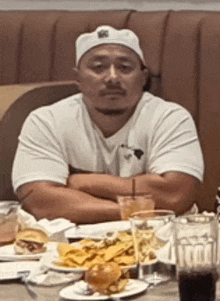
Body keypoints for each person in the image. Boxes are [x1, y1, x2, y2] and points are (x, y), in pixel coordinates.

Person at [12, 25, 204, 224]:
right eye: (98, 67)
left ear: (143, 78)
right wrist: (135, 211)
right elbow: (41, 201)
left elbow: (175, 196)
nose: (112, 77)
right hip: (71, 248)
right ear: (77, 77)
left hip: (159, 242)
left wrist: (84, 182)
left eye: (125, 68)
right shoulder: (46, 121)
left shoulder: (170, 117)